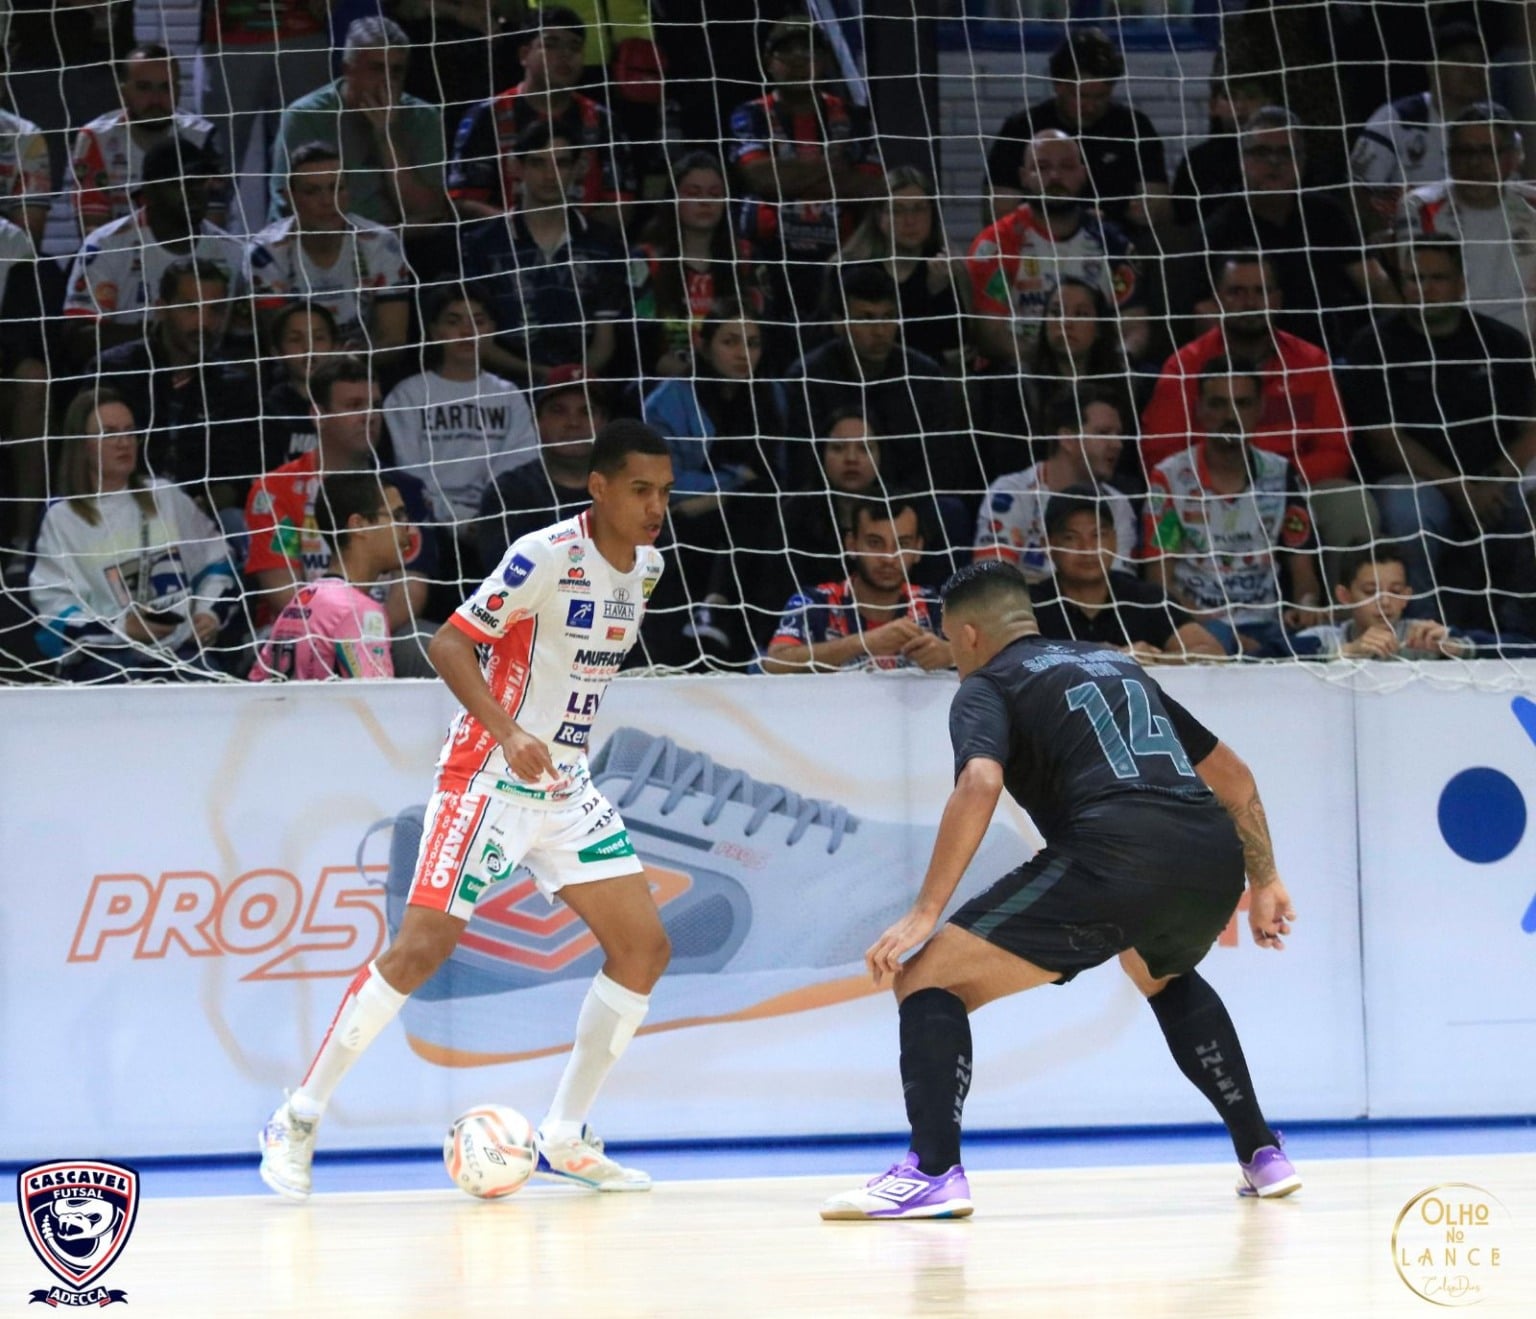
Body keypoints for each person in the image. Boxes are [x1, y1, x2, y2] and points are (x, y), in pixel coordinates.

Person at [259, 418, 675, 1199]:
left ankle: (563, 1133)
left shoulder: (646, 567)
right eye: (640, 490)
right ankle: (298, 1115)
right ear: (600, 487)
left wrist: (550, 745)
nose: (656, 507)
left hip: (564, 782)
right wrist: (509, 729)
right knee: (421, 948)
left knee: (644, 947)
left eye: (664, 492)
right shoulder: (544, 555)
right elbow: (451, 643)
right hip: (488, 771)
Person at [820, 559, 1300, 1220]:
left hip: (1114, 851)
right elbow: (1237, 777)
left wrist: (925, 910)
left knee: (926, 978)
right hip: (1212, 855)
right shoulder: (1116, 663)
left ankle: (933, 1170)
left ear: (966, 635)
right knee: (1160, 966)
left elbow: (980, 782)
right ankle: (1263, 1152)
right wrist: (1266, 878)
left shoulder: (985, 684)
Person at [1338, 239, 1536, 630]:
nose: (1424, 289)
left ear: (1461, 283)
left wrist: (1495, 477)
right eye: (1414, 279)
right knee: (1408, 512)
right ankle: (1422, 632)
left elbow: (1532, 430)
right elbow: (1385, 440)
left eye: (1437, 278)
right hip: (1417, 481)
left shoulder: (1503, 342)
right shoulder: (1373, 345)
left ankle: (1522, 630)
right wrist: (1458, 487)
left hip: (1496, 479)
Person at [29, 387, 237, 683]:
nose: (123, 443)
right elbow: (54, 614)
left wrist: (209, 614)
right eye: (110, 433)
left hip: (180, 652)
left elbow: (219, 562)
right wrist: (122, 629)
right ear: (82, 445)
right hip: (105, 660)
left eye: (129, 432)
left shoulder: (164, 496)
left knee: (206, 679)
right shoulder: (62, 519)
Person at [243, 355, 436, 649]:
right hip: (298, 631)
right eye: (354, 406)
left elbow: (411, 592)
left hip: (382, 630)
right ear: (318, 414)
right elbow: (283, 592)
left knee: (428, 645)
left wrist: (366, 636)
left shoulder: (404, 489)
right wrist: (340, 635)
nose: (369, 416)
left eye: (374, 404)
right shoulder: (274, 491)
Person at [1142, 359, 1325, 658]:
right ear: (1199, 409)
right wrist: (1226, 633)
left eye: (1242, 403)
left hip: (1270, 623)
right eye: (1218, 404)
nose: (1230, 415)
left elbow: (1302, 566)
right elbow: (1159, 583)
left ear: (1260, 408)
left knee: (1319, 644)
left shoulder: (1281, 473)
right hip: (1199, 625)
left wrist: (1306, 604)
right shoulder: (1171, 477)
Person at [1194, 107, 1397, 354]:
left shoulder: (1327, 214)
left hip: (1334, 353)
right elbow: (1206, 310)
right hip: (1260, 360)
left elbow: (1376, 283)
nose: (1274, 163)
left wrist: (1401, 342)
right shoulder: (1220, 228)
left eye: (1286, 153)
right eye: (1261, 152)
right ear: (1242, 160)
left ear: (1302, 161)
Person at [728, 15, 884, 323]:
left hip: (841, 259)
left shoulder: (856, 118)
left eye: (809, 51)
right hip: (766, 259)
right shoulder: (749, 114)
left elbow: (869, 188)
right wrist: (833, 168)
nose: (799, 60)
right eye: (787, 52)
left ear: (824, 61)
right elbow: (760, 178)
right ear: (768, 62)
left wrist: (789, 178)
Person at [460, 121, 630, 388]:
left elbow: (604, 341)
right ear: (516, 167)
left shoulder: (603, 244)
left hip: (582, 389)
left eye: (561, 164)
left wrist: (571, 380)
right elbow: (478, 339)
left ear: (579, 168)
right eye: (538, 163)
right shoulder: (483, 244)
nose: (550, 176)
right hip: (503, 389)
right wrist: (543, 375)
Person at [92, 257, 265, 518]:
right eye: (190, 308)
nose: (203, 323)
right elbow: (88, 462)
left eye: (215, 310)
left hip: (202, 517)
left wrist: (198, 508)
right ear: (161, 309)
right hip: (118, 508)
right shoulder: (113, 373)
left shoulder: (235, 385)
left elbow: (239, 475)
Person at [383, 286, 539, 575]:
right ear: (435, 331)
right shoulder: (408, 395)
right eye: (453, 321)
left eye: (478, 321)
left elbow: (518, 466)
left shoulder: (509, 396)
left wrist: (485, 518)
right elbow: (412, 473)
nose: (467, 331)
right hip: (427, 526)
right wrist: (457, 521)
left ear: (492, 329)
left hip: (495, 525)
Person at [62, 135, 248, 367]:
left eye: (198, 181)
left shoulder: (234, 251)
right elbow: (79, 337)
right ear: (148, 193)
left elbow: (243, 336)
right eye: (177, 183)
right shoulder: (106, 245)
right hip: (128, 376)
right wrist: (166, 335)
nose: (192, 192)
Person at [968, 130, 1147, 369]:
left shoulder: (1112, 243)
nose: (1055, 176)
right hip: (1023, 372)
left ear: (1083, 174)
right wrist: (1052, 365)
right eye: (1041, 167)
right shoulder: (995, 245)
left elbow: (1135, 324)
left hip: (1098, 373)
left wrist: (1117, 362)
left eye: (1067, 166)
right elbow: (989, 334)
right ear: (1024, 176)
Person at [449, 6, 636, 231]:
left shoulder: (603, 120)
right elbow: (463, 201)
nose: (565, 54)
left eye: (574, 47)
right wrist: (529, 231)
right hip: (505, 247)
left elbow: (620, 204)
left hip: (582, 249)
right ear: (524, 55)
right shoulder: (487, 115)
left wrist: (570, 236)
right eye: (551, 44)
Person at [984, 26, 1169, 236]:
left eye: (1100, 97)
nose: (1090, 107)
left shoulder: (1134, 128)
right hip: (1037, 248)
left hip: (1116, 248)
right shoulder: (1021, 129)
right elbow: (998, 213)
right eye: (1081, 96)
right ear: (1058, 86)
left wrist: (1146, 211)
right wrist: (1068, 222)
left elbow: (1159, 204)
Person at [269, 16, 449, 229]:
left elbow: (427, 211)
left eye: (397, 71)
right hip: (319, 241)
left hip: (399, 243)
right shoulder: (305, 116)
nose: (388, 81)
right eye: (376, 68)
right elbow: (296, 207)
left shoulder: (424, 117)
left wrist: (387, 135)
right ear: (348, 69)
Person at [247, 141, 415, 360]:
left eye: (337, 188)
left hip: (364, 370)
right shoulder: (265, 253)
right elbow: (282, 343)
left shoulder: (381, 244)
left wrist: (348, 364)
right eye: (312, 191)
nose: (328, 201)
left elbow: (392, 341)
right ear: (290, 198)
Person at [762, 496, 952, 674]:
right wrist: (864, 642)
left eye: (902, 544)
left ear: (918, 549)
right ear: (851, 544)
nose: (889, 558)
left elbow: (981, 653)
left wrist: (949, 654)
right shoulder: (815, 602)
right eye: (875, 543)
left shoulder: (935, 605)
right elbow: (775, 662)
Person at [1395, 103, 1536, 340]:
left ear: (1512, 158)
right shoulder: (1420, 207)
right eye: (1465, 152)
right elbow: (1419, 291)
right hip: (1453, 345)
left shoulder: (1531, 204)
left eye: (1488, 152)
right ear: (1449, 156)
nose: (1475, 164)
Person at [250, 473, 409, 681]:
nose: (409, 528)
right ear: (359, 525)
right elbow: (376, 704)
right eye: (397, 516)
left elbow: (257, 680)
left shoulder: (301, 600)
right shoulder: (361, 612)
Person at [1033, 488, 1223, 661]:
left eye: (1098, 535)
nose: (1088, 549)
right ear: (1047, 545)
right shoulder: (1029, 604)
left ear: (1114, 540)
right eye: (1070, 538)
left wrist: (1153, 659)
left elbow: (1214, 654)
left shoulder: (1146, 598)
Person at [630, 151, 768, 379]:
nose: (705, 202)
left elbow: (763, 330)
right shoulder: (645, 260)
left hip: (737, 378)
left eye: (714, 194)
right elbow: (638, 340)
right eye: (694, 193)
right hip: (667, 380)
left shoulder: (747, 258)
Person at [974, 390, 1137, 583]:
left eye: (1118, 435)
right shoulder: (1011, 492)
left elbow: (1119, 587)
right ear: (1067, 440)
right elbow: (991, 581)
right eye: (1103, 433)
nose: (1118, 444)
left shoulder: (1118, 504)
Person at [1350, 21, 1491, 241]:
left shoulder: (1495, 125)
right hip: (1412, 248)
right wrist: (1384, 239)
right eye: (1460, 60)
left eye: (1479, 62)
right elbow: (1357, 188)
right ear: (1432, 67)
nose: (1472, 70)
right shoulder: (1396, 119)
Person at [69, 42, 228, 235]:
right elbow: (92, 230)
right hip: (119, 257)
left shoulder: (203, 138)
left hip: (187, 256)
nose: (155, 100)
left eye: (165, 88)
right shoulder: (95, 137)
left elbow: (212, 229)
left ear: (178, 91)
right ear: (123, 92)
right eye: (144, 88)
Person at [839, 165, 966, 369]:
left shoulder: (946, 268)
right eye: (897, 211)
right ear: (880, 217)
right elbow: (869, 346)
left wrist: (938, 292)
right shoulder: (854, 271)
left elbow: (958, 346)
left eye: (919, 209)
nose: (910, 221)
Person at [1292, 548, 1479, 661]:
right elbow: (1267, 657)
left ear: (1407, 597)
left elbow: (1505, 645)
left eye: (1395, 592)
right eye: (1370, 592)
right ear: (1345, 596)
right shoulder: (1323, 639)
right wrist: (1348, 651)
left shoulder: (1424, 637)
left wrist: (1456, 648)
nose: (1385, 602)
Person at [260, 301, 341, 468]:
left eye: (318, 338)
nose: (308, 348)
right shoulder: (267, 410)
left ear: (335, 346)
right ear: (276, 352)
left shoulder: (354, 404)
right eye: (295, 339)